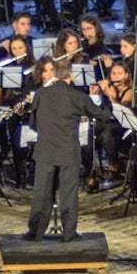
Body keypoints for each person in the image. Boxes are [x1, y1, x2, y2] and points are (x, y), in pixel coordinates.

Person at [23, 56, 113, 244]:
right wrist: (105, 95)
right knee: (68, 195)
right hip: (68, 153)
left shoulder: (40, 94)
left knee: (41, 195)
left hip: (45, 151)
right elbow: (104, 115)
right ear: (70, 75)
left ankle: (35, 233)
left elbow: (33, 124)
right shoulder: (78, 97)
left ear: (54, 74)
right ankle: (69, 234)